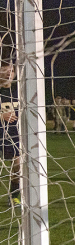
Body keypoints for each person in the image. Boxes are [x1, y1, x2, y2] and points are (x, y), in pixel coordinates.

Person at [0, 63, 20, 206]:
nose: (9, 73)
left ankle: (13, 197)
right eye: (5, 69)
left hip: (14, 136)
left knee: (18, 166)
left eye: (12, 70)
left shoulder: (19, 92)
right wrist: (2, 116)